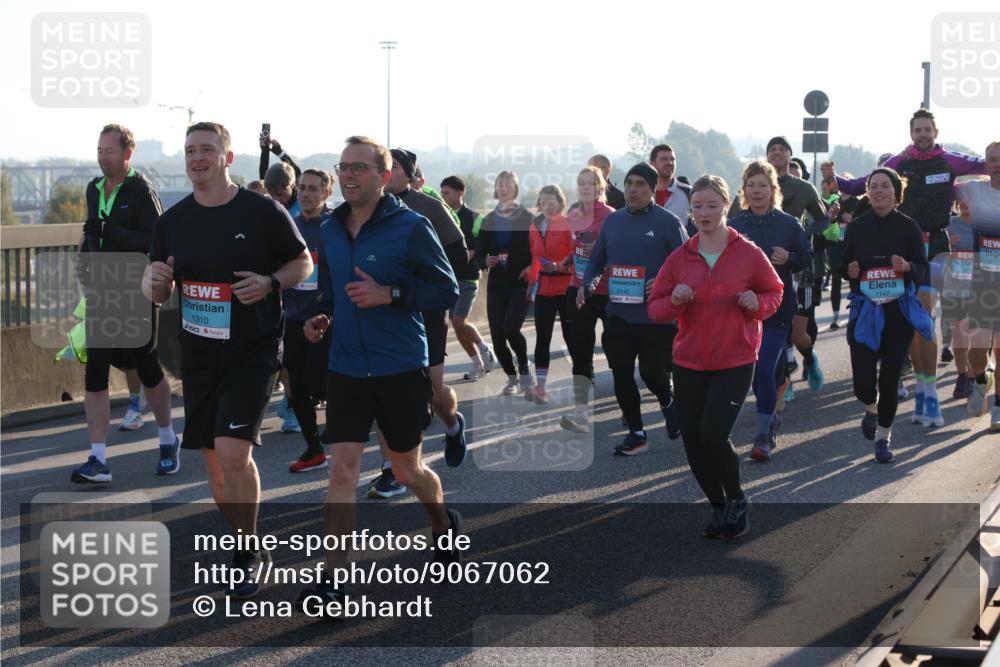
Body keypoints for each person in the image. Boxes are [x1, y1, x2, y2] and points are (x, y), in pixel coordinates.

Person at [144, 121, 312, 597]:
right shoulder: (173, 221)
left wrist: (270, 282)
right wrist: (155, 283)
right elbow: (155, 286)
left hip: (253, 349)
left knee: (235, 452)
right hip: (199, 353)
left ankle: (248, 549)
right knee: (214, 462)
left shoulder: (263, 211)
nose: (197, 157)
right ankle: (245, 539)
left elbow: (304, 264)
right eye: (190, 150)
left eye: (207, 150)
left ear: (228, 158)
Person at [295, 136, 462, 611]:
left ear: (383, 176)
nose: (348, 175)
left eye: (359, 168)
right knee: (342, 473)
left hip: (399, 366)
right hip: (346, 367)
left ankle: (442, 523)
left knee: (407, 469)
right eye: (342, 167)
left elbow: (444, 289)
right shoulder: (330, 228)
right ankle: (334, 583)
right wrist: (322, 313)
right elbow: (332, 287)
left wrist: (391, 295)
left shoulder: (410, 227)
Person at [826, 109, 987, 427]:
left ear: (936, 132)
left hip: (939, 248)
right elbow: (863, 183)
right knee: (913, 324)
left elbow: (986, 165)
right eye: (918, 130)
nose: (923, 135)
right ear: (911, 133)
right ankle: (924, 395)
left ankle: (931, 399)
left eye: (928, 129)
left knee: (924, 315)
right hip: (906, 248)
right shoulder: (900, 162)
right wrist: (834, 179)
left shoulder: (951, 161)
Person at [649, 175, 784, 539]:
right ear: (690, 211)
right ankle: (719, 507)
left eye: (712, 205)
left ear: (726, 205)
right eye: (698, 206)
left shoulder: (748, 253)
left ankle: (738, 499)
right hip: (689, 360)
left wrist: (759, 304)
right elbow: (655, 309)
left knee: (712, 434)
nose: (704, 213)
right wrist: (674, 300)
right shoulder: (680, 257)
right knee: (692, 439)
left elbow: (774, 291)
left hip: (735, 360)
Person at [71, 124, 180, 484]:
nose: (103, 156)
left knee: (147, 368)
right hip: (102, 293)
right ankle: (98, 458)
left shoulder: (142, 189)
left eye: (110, 151)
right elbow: (91, 234)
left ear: (126, 154)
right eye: (99, 150)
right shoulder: (94, 188)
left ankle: (167, 440)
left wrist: (109, 232)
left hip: (137, 292)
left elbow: (155, 240)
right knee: (95, 372)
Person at [365, 149, 470, 498]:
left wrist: (420, 285)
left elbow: (457, 256)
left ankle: (453, 425)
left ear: (408, 175)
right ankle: (392, 468)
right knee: (387, 393)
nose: (386, 171)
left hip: (425, 312)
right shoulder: (366, 207)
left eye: (393, 167)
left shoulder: (428, 207)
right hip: (384, 313)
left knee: (434, 395)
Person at [581, 162, 687, 455]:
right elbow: (596, 260)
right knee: (622, 373)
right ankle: (636, 432)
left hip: (656, 317)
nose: (632, 189)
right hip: (619, 314)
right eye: (629, 183)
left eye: (640, 184)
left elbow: (687, 265)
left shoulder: (668, 223)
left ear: (653, 189)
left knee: (653, 374)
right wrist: (587, 284)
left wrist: (663, 283)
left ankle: (668, 402)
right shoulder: (613, 222)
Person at [840, 168, 933, 462]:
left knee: (890, 377)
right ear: (867, 192)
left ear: (896, 192)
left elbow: (922, 268)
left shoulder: (908, 227)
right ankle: (871, 407)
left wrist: (907, 267)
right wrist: (849, 271)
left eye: (885, 186)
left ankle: (883, 437)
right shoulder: (856, 226)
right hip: (865, 310)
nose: (879, 191)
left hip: (898, 312)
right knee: (863, 385)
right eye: (873, 186)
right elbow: (841, 265)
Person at [729, 161, 810, 461]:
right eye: (752, 185)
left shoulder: (788, 224)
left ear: (773, 189)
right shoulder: (736, 227)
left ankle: (762, 435)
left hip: (777, 309)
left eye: (763, 185)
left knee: (763, 368)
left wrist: (789, 257)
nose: (757, 190)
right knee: (757, 372)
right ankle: (772, 411)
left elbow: (806, 257)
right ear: (744, 191)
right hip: (743, 310)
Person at [284, 169, 335, 472]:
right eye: (302, 188)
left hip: (322, 320)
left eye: (313, 189)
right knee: (297, 389)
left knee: (321, 382)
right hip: (292, 317)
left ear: (326, 193)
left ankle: (347, 431)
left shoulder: (335, 227)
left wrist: (325, 304)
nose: (305, 194)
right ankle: (313, 449)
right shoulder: (290, 225)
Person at [561, 166, 615, 432]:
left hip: (607, 291)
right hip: (578, 287)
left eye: (591, 183)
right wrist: (565, 259)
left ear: (600, 187)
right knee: (580, 350)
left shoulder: (611, 217)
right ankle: (580, 414)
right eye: (581, 183)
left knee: (617, 348)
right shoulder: (572, 215)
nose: (585, 187)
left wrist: (598, 248)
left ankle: (628, 406)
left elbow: (616, 251)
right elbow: (571, 250)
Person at [476, 170, 535, 395]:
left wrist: (532, 267)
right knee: (497, 335)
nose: (503, 187)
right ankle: (512, 379)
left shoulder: (527, 217)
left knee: (511, 328)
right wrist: (485, 260)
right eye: (500, 184)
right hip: (497, 284)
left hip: (519, 282)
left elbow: (537, 250)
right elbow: (480, 254)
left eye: (508, 184)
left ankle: (524, 367)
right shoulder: (489, 219)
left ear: (515, 188)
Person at [954, 141, 1000, 431]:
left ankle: (997, 408)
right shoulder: (973, 189)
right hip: (983, 278)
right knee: (977, 349)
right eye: (992, 159)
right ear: (985, 163)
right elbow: (946, 176)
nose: (997, 163)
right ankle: (982, 380)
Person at [440, 175, 497, 380]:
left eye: (447, 192)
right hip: (449, 279)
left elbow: (477, 250)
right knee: (456, 325)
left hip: (468, 278)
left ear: (460, 192)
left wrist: (456, 258)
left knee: (458, 320)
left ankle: (484, 348)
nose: (443, 196)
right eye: (442, 192)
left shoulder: (475, 218)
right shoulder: (440, 215)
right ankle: (477, 364)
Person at [526, 185, 574, 404]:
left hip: (566, 287)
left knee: (571, 335)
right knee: (542, 337)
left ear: (560, 203)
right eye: (543, 202)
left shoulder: (567, 224)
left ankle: (583, 375)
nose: (547, 206)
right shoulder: (534, 226)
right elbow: (535, 258)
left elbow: (575, 253)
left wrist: (561, 266)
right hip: (544, 288)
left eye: (551, 202)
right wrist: (531, 282)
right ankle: (541, 387)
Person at [941, 200, 975, 401]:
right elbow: (936, 254)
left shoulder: (987, 223)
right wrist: (948, 249)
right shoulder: (948, 224)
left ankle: (974, 375)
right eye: (961, 198)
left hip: (981, 286)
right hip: (954, 286)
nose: (966, 203)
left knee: (975, 333)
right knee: (959, 333)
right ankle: (963, 375)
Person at [650, 144, 693, 225]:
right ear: (652, 164)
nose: (669, 163)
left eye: (672, 159)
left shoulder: (689, 193)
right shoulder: (643, 193)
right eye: (664, 159)